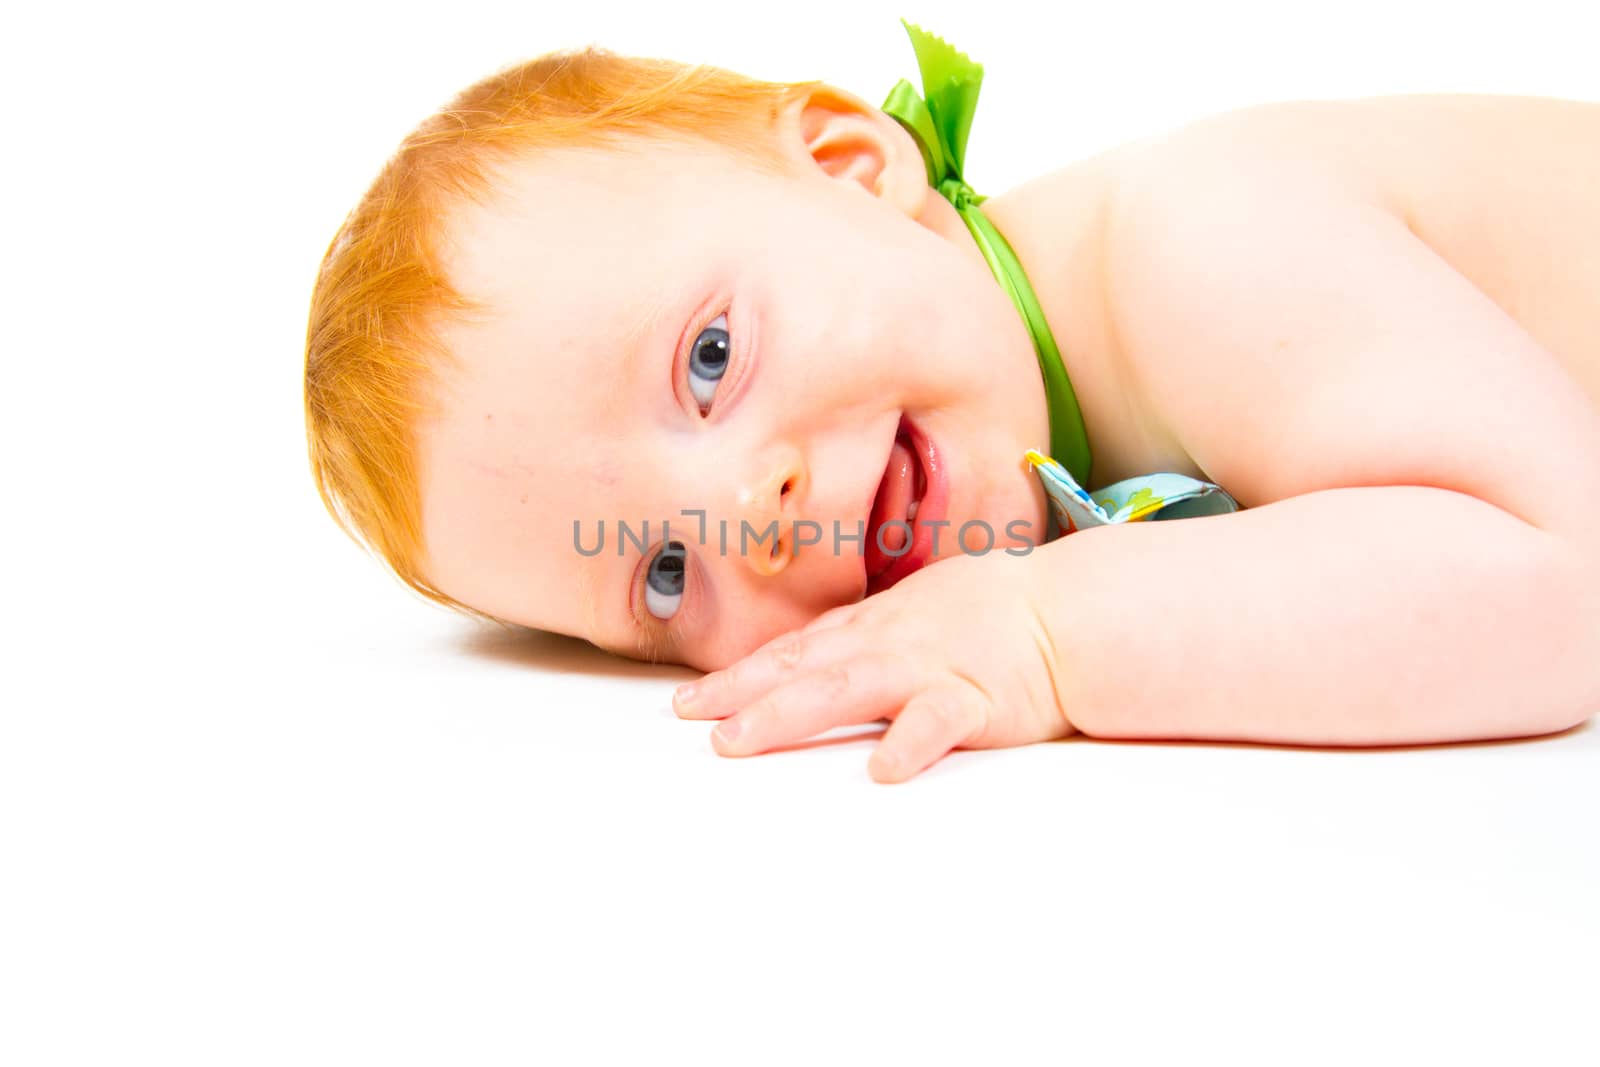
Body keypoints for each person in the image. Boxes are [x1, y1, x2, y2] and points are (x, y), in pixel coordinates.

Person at [305, 22, 1600, 783]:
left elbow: (1554, 585)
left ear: (852, 166)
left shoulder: (1201, 237)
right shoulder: (1077, 407)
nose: (750, 511)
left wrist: (1053, 633)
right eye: (659, 574)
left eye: (710, 359)